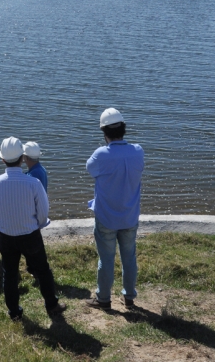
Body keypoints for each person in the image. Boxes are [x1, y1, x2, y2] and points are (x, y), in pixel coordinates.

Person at [0, 137, 66, 320]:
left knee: (10, 274)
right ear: (22, 158)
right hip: (30, 234)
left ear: (2, 159)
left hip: (5, 236)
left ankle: (14, 312)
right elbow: (43, 211)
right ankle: (52, 305)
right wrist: (38, 224)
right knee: (43, 270)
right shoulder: (33, 183)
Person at [85, 108, 144, 310]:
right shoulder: (138, 151)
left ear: (104, 132)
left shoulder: (100, 155)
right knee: (129, 257)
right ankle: (129, 297)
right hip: (129, 216)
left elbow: (90, 169)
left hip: (106, 217)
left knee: (106, 258)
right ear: (124, 129)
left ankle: (103, 299)